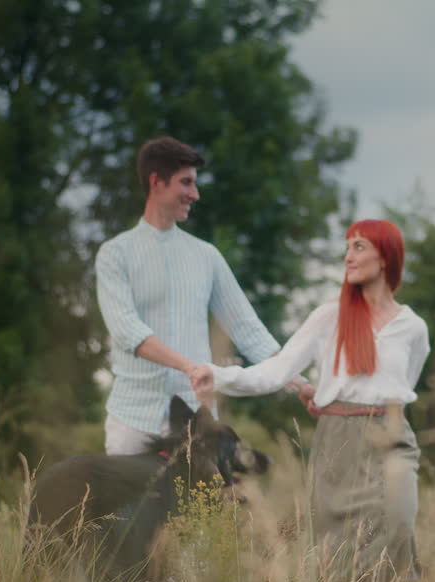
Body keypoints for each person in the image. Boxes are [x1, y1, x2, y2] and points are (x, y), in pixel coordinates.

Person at [190, 219, 430, 582]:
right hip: (339, 440)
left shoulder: (414, 328)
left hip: (393, 435)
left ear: (386, 257)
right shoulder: (328, 317)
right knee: (339, 554)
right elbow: (277, 371)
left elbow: (405, 385)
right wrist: (219, 377)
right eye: (347, 247)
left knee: (399, 524)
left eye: (359, 246)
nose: (348, 256)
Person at [95, 136, 305, 454]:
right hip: (132, 421)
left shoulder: (206, 256)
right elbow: (129, 333)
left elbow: (248, 330)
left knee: (197, 506)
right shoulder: (114, 255)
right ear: (156, 182)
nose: (195, 194)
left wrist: (300, 383)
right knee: (130, 507)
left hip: (198, 423)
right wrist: (190, 367)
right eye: (186, 183)